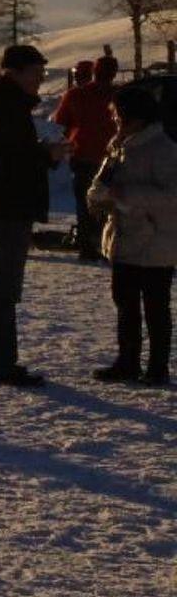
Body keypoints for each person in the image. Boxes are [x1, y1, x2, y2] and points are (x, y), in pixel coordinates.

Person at [0, 43, 67, 388]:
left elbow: (5, 154)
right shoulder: (7, 106)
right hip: (9, 204)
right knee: (5, 287)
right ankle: (0, 363)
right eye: (36, 73)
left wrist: (39, 153)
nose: (40, 79)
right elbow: (8, 159)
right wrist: (46, 156)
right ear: (16, 72)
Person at [86, 82, 176, 386]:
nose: (114, 122)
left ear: (136, 117)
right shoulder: (118, 146)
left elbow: (172, 196)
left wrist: (125, 195)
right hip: (124, 238)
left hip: (156, 240)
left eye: (118, 116)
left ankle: (157, 367)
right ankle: (127, 361)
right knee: (125, 305)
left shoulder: (164, 149)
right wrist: (98, 196)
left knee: (155, 307)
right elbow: (100, 185)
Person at [54, 58, 119, 262]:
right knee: (111, 202)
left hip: (82, 155)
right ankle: (106, 242)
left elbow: (61, 123)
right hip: (112, 157)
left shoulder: (75, 95)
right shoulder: (119, 95)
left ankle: (86, 244)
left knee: (84, 203)